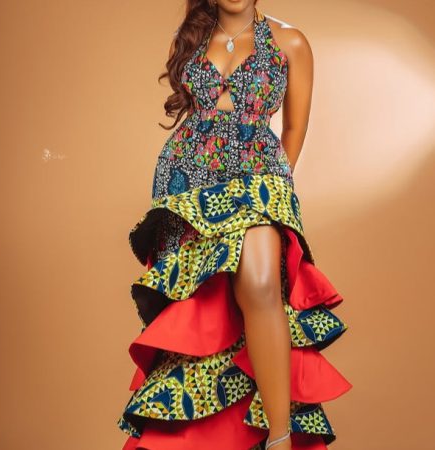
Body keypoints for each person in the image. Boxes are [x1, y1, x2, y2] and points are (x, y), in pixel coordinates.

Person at [117, 1, 353, 449]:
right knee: (203, 312)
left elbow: (294, 128)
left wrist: (272, 189)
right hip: (188, 181)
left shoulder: (290, 42)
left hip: (257, 176)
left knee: (260, 286)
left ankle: (279, 438)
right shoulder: (190, 38)